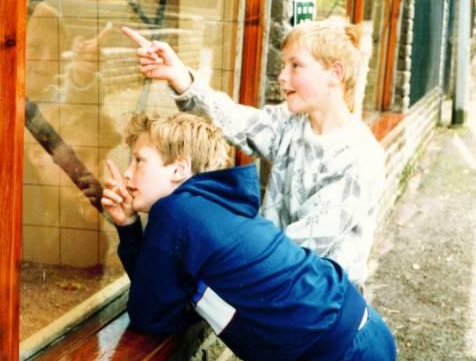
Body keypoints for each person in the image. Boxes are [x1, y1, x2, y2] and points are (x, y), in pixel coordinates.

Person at [101, 111, 396, 361]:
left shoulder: (174, 213)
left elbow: (150, 315)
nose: (129, 173)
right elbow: (162, 295)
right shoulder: (216, 207)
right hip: (368, 332)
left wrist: (129, 229)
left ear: (178, 169)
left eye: (139, 160)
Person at [120, 19, 385, 289]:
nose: (282, 76)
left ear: (335, 73)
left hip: (318, 309)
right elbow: (232, 120)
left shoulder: (359, 157)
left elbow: (303, 248)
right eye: (284, 66)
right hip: (273, 287)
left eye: (295, 65)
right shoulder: (291, 123)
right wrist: (180, 77)